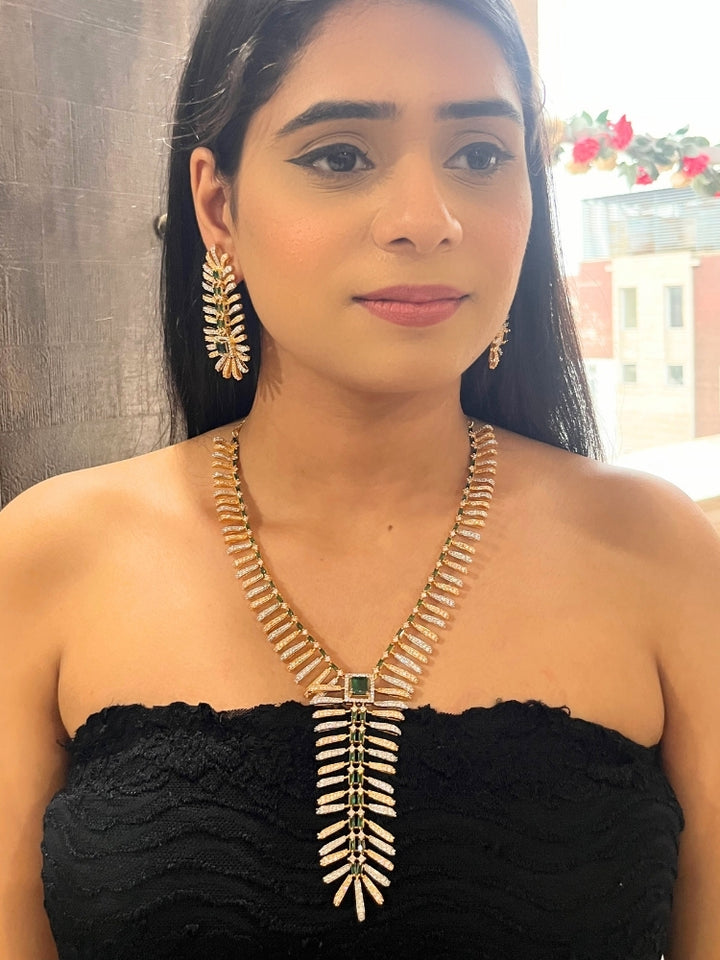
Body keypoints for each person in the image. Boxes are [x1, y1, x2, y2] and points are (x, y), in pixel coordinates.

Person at [1, 0, 719, 955]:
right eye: (340, 156)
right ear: (219, 206)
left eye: (479, 154)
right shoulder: (49, 559)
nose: (430, 219)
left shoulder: (661, 558)